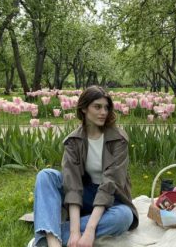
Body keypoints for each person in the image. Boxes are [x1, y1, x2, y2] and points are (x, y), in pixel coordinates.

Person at [27, 86, 139, 247]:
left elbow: (111, 184)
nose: (103, 112)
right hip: (84, 194)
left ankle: (44, 237)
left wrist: (89, 231)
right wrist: (74, 232)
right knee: (46, 175)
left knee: (124, 217)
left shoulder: (118, 139)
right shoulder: (74, 141)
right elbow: (72, 185)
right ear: (84, 108)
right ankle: (52, 242)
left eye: (106, 107)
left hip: (112, 199)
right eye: (97, 107)